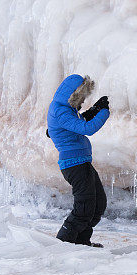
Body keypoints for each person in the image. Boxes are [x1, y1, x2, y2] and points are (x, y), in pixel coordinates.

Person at [46, 74, 110, 247]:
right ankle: (63, 245)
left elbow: (78, 122)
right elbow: (87, 128)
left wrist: (94, 110)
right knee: (84, 208)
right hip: (74, 165)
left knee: (97, 204)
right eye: (81, 98)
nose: (82, 103)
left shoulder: (66, 110)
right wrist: (104, 112)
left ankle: (81, 242)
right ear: (74, 95)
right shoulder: (60, 111)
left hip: (81, 162)